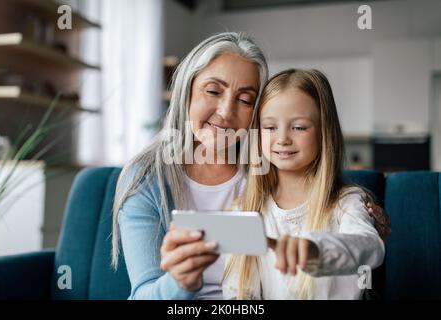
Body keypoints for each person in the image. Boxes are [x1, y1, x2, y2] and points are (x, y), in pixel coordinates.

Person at [111, 32, 389, 300]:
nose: (226, 112)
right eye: (212, 91)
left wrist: (365, 228)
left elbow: (327, 196)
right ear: (187, 90)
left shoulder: (265, 178)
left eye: (245, 100)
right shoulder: (147, 180)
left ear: (256, 112)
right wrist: (180, 283)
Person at [222, 69, 385, 300]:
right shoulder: (245, 210)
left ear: (324, 132)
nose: (282, 139)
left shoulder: (346, 203)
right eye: (270, 127)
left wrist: (315, 249)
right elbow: (238, 293)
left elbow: (371, 247)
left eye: (298, 127)